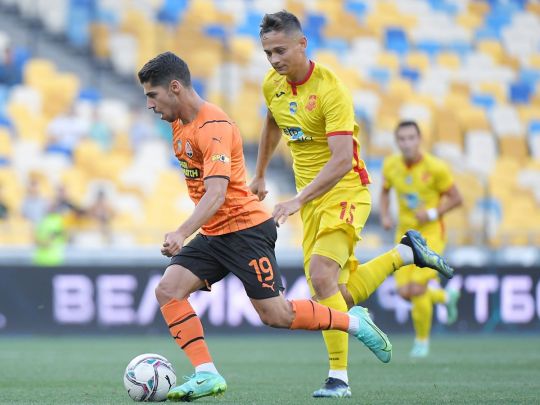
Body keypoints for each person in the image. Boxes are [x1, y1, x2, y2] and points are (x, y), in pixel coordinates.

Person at [137, 52, 393, 403]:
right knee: (168, 291)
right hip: (215, 232)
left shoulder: (214, 127)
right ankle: (206, 373)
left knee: (277, 315)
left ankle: (354, 323)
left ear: (175, 87)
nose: (150, 104)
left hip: (246, 231)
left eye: (153, 95)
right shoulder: (179, 123)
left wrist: (182, 232)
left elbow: (217, 193)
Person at [250, 11, 454, 398]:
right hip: (311, 199)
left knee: (321, 276)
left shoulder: (331, 90)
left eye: (280, 51)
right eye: (268, 53)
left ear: (302, 44)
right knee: (333, 297)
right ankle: (404, 253)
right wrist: (260, 173)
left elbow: (343, 159)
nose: (274, 60)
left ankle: (339, 378)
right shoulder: (272, 85)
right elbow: (273, 123)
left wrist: (296, 200)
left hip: (345, 190)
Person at [380, 120, 463, 358]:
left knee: (417, 288)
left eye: (411, 138)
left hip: (431, 234)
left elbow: (456, 198)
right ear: (397, 142)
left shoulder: (436, 167)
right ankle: (445, 297)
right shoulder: (391, 165)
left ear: (419, 140)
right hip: (405, 234)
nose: (407, 143)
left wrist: (433, 213)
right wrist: (385, 215)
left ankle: (422, 342)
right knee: (404, 292)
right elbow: (384, 191)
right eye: (402, 139)